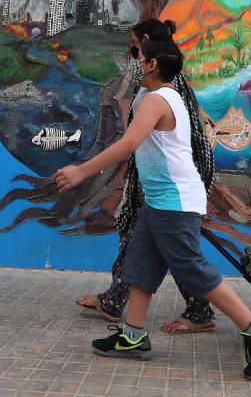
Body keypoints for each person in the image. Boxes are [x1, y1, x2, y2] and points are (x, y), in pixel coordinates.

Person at [55, 38, 251, 380]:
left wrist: (81, 171)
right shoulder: (158, 96)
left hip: (174, 201)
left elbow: (129, 143)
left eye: (138, 56)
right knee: (141, 265)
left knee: (191, 268)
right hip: (162, 199)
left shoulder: (159, 99)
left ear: (151, 65)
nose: (132, 60)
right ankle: (133, 336)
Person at [75, 18, 218, 334]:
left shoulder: (161, 89)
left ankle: (235, 320)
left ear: (149, 52)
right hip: (160, 182)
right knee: (150, 249)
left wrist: (84, 171)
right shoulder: (154, 85)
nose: (132, 57)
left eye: (134, 48)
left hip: (172, 182)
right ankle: (131, 325)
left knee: (175, 253)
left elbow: (136, 141)